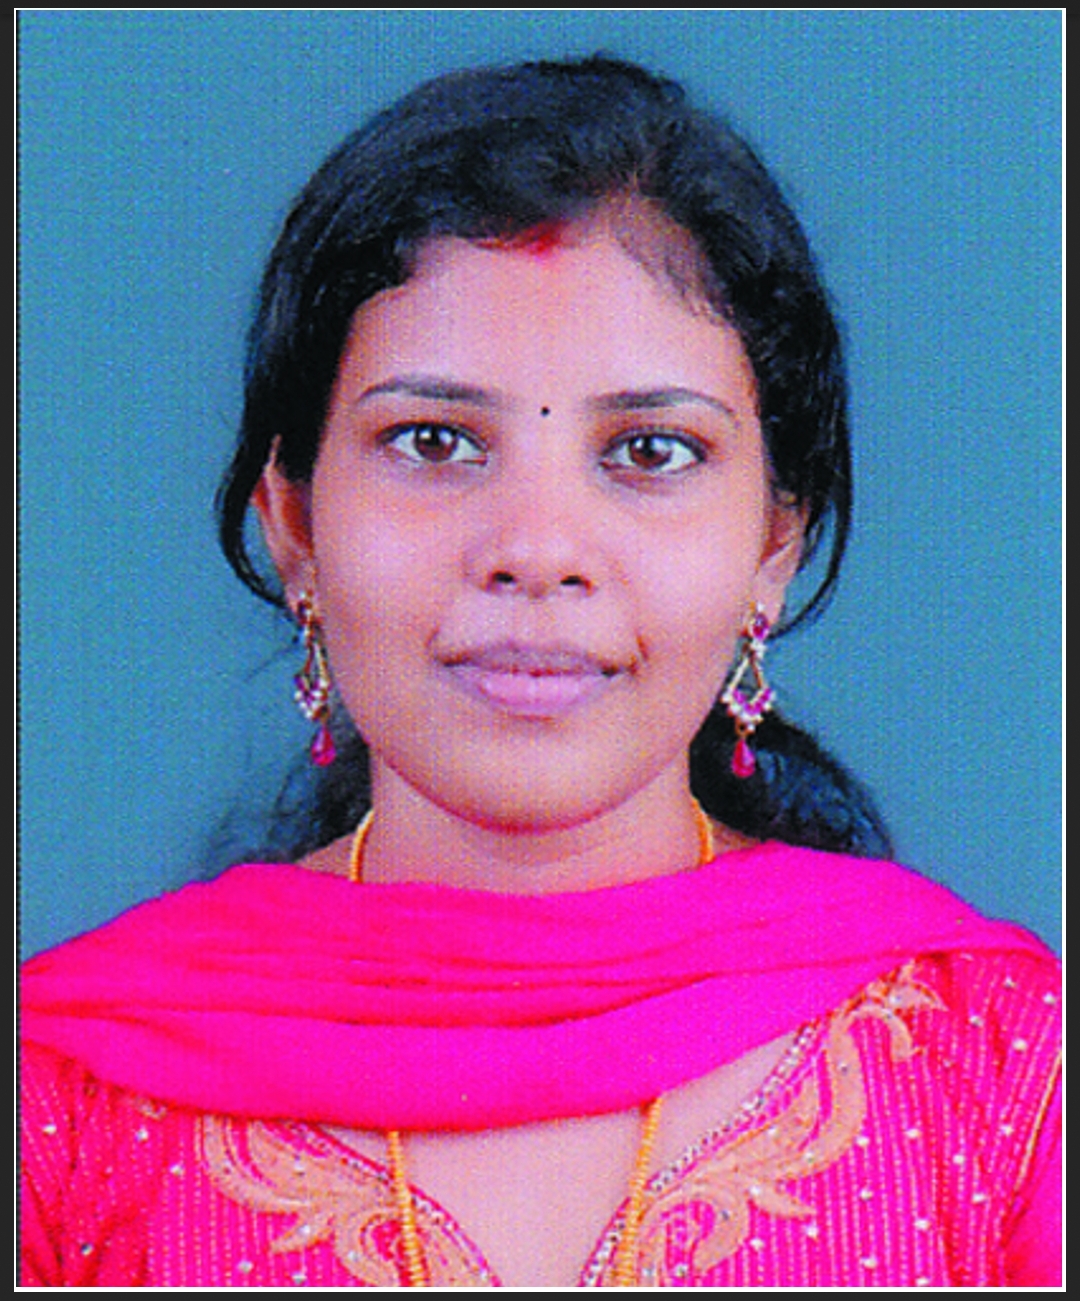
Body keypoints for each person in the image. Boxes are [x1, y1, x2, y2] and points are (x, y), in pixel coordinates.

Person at [20, 55, 1060, 1288]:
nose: (537, 548)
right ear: (293, 523)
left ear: (773, 546)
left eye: (651, 450)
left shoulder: (1003, 1072)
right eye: (435, 441)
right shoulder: (62, 1097)